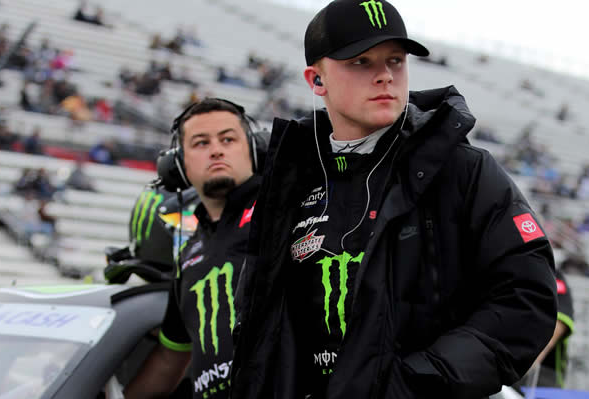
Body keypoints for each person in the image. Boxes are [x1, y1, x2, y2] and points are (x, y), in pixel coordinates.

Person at [230, 1, 557, 398]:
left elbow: (525, 298)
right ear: (317, 80)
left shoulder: (461, 169)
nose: (384, 75)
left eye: (395, 61)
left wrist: (414, 384)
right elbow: (261, 325)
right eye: (361, 62)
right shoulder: (288, 182)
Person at [124, 98, 264, 399]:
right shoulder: (188, 256)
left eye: (228, 139)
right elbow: (168, 360)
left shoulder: (285, 213)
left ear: (253, 150)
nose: (216, 150)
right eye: (201, 143)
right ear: (179, 164)